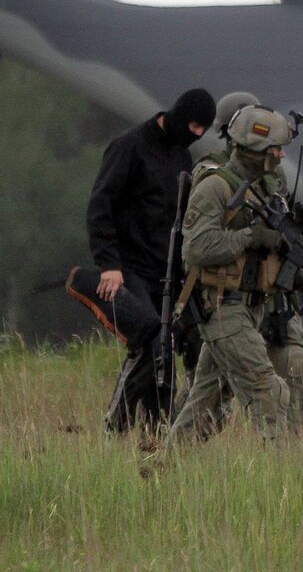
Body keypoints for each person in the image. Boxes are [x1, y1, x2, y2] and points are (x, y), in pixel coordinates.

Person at [70, 87, 215, 435]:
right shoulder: (129, 146)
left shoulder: (183, 156)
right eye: (194, 125)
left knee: (166, 357)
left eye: (203, 130)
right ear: (177, 114)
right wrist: (109, 265)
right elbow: (100, 206)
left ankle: (155, 433)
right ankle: (116, 424)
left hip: (167, 274)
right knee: (151, 341)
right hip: (128, 268)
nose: (197, 134)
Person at [180, 92, 303, 436]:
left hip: (262, 302)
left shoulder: (270, 186)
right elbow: (196, 248)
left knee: (204, 402)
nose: (281, 154)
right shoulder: (214, 183)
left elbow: (275, 243)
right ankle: (286, 480)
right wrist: (250, 237)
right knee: (268, 393)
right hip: (224, 304)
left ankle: (162, 468)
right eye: (274, 149)